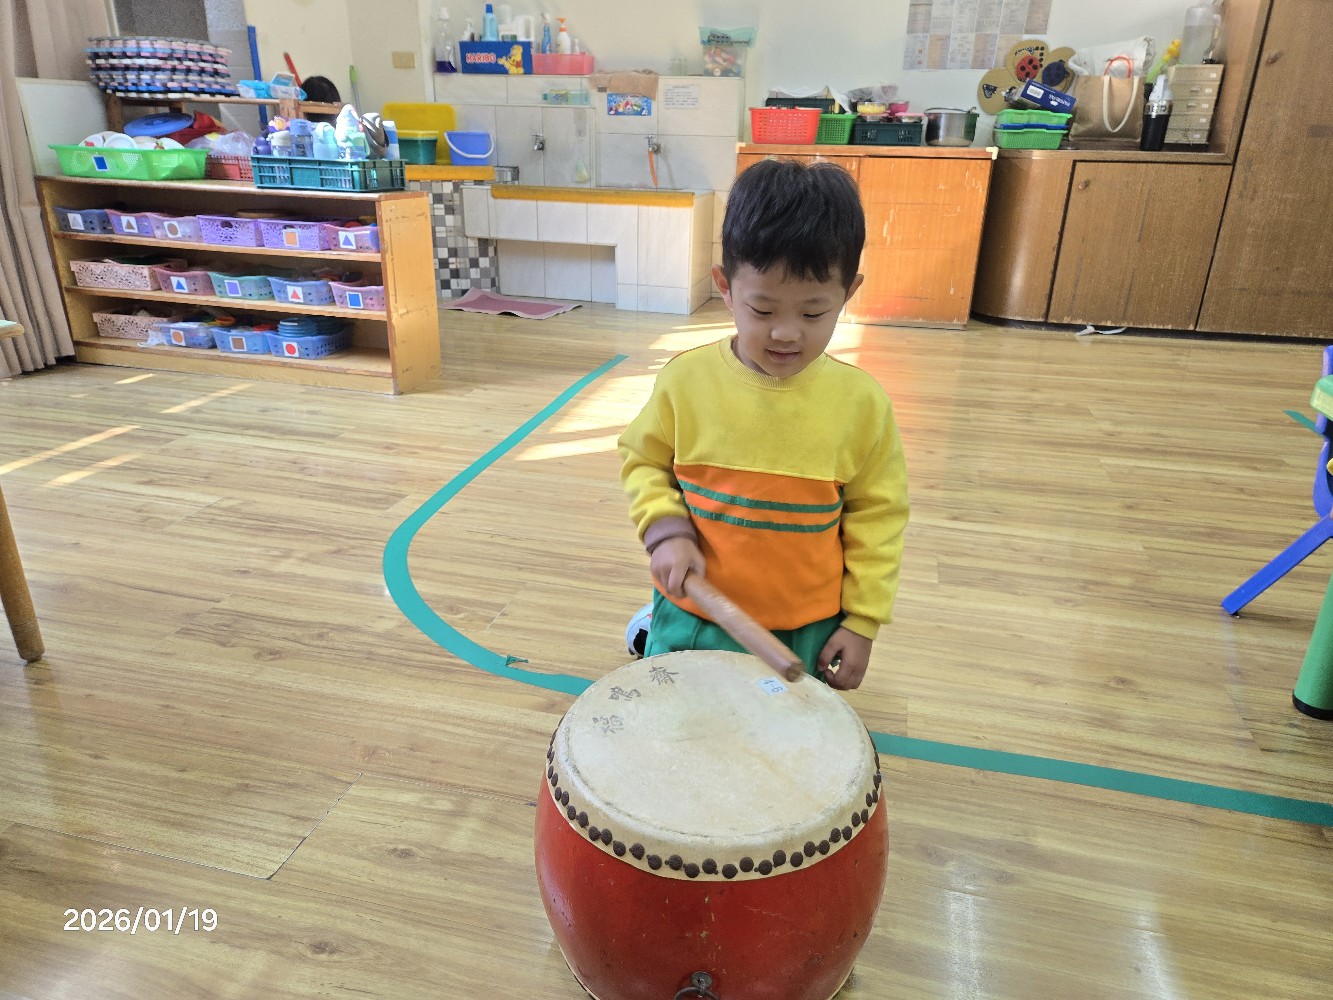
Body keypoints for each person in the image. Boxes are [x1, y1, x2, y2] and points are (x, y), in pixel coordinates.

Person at [618, 158, 909, 690]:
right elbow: (643, 461)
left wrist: (863, 621)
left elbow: (879, 517)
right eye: (763, 309)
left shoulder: (862, 405)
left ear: (849, 292)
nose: (786, 333)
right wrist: (666, 532)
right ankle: (648, 625)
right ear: (725, 287)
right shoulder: (686, 382)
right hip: (694, 614)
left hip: (805, 627)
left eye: (813, 313)